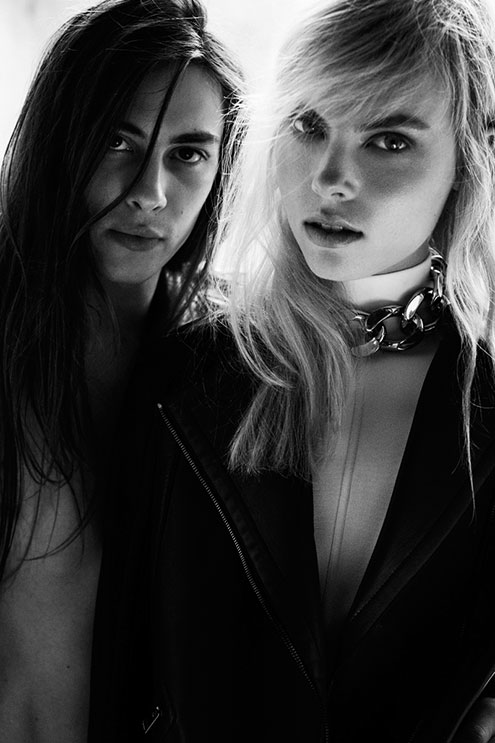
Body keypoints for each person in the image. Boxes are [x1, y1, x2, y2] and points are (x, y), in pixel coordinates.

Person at [107, 0, 495, 740]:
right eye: (308, 126)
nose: (330, 177)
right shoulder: (180, 373)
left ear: (468, 161)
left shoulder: (487, 405)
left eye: (388, 140)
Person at [0, 0, 244, 741]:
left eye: (188, 153)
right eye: (116, 140)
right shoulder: (11, 352)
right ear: (58, 141)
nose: (150, 192)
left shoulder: (233, 370)